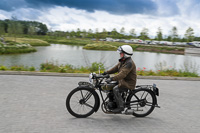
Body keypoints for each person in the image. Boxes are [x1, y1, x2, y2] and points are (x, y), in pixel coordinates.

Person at [103, 45, 137, 113]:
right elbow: (115, 68)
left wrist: (112, 78)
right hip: (122, 80)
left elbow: (122, 74)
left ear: (126, 54)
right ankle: (113, 102)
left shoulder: (129, 63)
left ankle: (121, 107)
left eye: (121, 53)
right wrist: (106, 72)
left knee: (115, 89)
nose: (120, 54)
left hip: (128, 83)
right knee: (110, 86)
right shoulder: (123, 60)